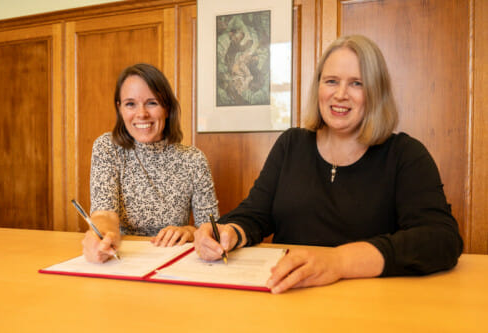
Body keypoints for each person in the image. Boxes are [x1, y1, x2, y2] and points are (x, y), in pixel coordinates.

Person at [193, 35, 463, 293]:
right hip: (288, 294)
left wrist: (338, 262)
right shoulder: (291, 144)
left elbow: (441, 239)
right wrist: (228, 232)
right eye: (331, 81)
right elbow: (254, 215)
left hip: (370, 305)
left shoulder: (405, 154)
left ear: (376, 92)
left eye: (357, 83)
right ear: (319, 87)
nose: (341, 94)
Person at [83, 63, 219, 263]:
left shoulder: (194, 160)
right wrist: (104, 236)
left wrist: (189, 232)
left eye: (152, 103)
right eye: (130, 104)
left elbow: (211, 228)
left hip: (174, 262)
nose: (141, 114)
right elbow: (104, 213)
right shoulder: (107, 147)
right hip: (123, 259)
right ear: (120, 109)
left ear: (167, 108)